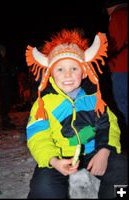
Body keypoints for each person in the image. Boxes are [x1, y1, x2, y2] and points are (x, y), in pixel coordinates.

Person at [25, 29, 127, 199]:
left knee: (123, 172)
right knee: (43, 188)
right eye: (60, 69)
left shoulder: (95, 97)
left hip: (93, 152)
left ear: (84, 71)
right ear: (50, 73)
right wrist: (53, 160)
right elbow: (38, 136)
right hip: (59, 155)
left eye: (74, 68)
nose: (67, 74)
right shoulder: (44, 103)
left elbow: (110, 124)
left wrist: (105, 150)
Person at [103, 0, 128, 150]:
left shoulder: (118, 16)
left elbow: (115, 44)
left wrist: (105, 53)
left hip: (121, 67)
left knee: (122, 104)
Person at [0, 44, 16, 129]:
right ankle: (5, 122)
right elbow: (2, 71)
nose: (4, 51)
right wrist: (9, 72)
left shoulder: (2, 59)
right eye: (2, 50)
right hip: (3, 83)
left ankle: (5, 119)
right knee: (4, 101)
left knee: (5, 102)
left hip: (5, 82)